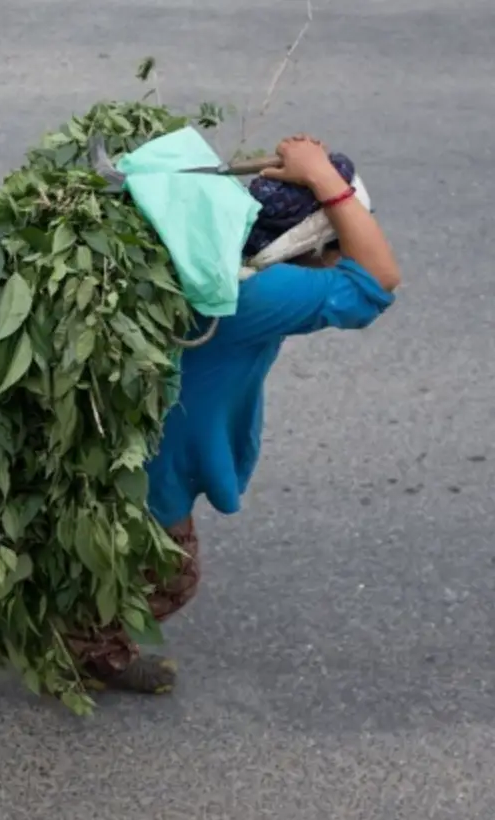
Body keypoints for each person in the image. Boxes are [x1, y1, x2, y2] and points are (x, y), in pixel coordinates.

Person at [67, 135, 402, 694]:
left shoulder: (198, 248)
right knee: (170, 576)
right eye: (340, 235)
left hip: (114, 435)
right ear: (308, 241)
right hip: (150, 463)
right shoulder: (256, 294)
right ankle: (81, 648)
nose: (345, 249)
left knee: (121, 547)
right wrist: (324, 179)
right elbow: (378, 282)